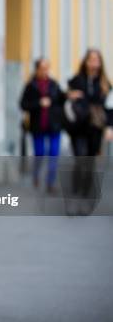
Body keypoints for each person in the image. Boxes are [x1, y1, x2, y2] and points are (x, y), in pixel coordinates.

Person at [65, 49, 112, 214]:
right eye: (90, 59)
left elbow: (110, 108)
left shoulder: (106, 84)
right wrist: (69, 95)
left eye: (96, 59)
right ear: (85, 61)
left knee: (90, 163)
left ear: (100, 63)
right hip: (78, 128)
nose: (93, 62)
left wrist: (110, 127)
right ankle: (74, 197)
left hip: (95, 129)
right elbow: (63, 99)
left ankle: (85, 198)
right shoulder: (76, 80)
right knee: (80, 159)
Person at [20, 59, 65, 194]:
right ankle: (36, 174)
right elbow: (23, 105)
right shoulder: (31, 86)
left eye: (47, 68)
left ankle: (50, 183)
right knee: (39, 153)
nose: (45, 71)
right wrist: (38, 103)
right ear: (37, 69)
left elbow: (61, 100)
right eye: (42, 68)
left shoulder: (54, 84)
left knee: (54, 153)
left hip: (54, 126)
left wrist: (68, 95)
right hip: (38, 126)